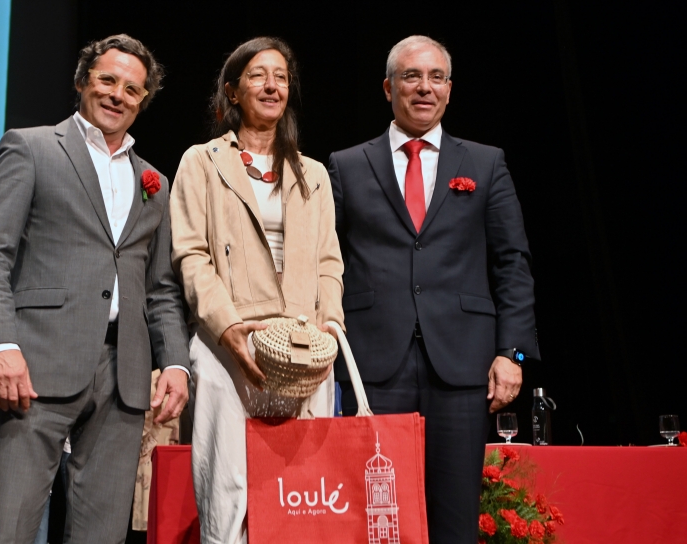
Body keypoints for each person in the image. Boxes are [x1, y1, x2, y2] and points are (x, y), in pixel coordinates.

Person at [0, 34, 190, 544]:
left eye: (132, 89)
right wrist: (0, 346)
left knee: (102, 533)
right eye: (107, 80)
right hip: (36, 364)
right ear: (83, 81)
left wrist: (175, 363)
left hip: (124, 373)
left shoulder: (154, 182)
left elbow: (160, 289)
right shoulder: (32, 147)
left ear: (143, 100)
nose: (117, 95)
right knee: (9, 524)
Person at [329, 35, 539, 543]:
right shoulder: (346, 165)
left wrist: (512, 353)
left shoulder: (485, 163)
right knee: (379, 518)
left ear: (449, 89)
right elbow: (325, 263)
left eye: (436, 77)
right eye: (411, 76)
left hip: (463, 366)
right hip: (373, 365)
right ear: (388, 88)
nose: (425, 87)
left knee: (454, 518)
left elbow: (512, 262)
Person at [170, 36, 345, 544]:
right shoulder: (201, 162)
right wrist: (228, 329)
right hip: (229, 345)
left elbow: (329, 262)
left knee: (302, 493)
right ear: (232, 91)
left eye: (281, 77)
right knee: (228, 490)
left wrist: (329, 329)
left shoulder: (313, 173)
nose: (272, 86)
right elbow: (191, 254)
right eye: (258, 76)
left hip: (303, 349)